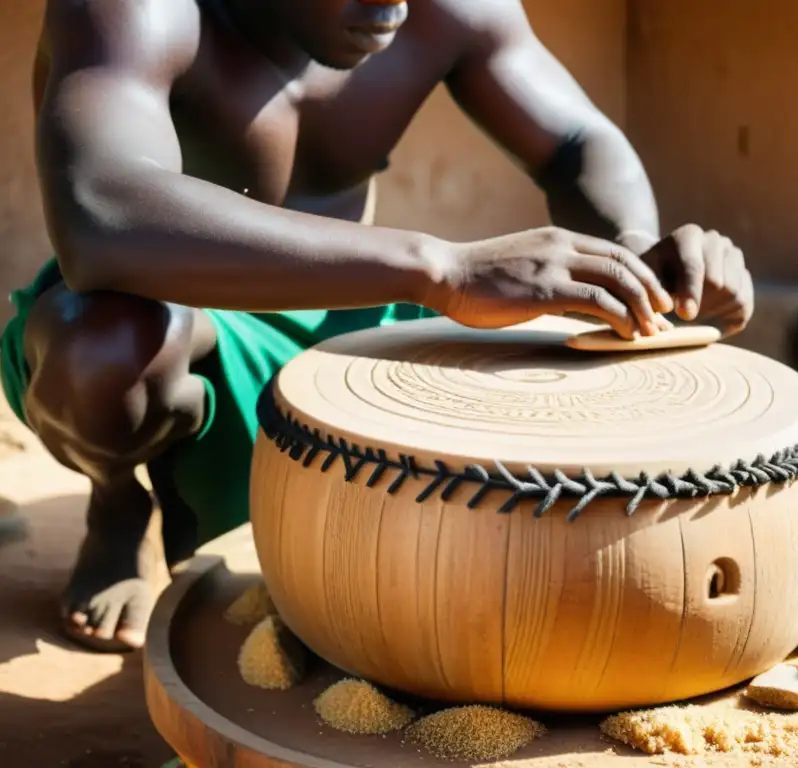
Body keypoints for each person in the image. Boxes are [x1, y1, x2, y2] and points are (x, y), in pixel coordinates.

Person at [1, 0, 754, 653]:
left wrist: (632, 259)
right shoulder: (136, 9)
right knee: (105, 354)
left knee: (401, 591)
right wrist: (444, 271)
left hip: (352, 321)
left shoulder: (442, 9)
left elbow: (575, 143)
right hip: (174, 313)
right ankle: (118, 499)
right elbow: (102, 214)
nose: (389, 7)